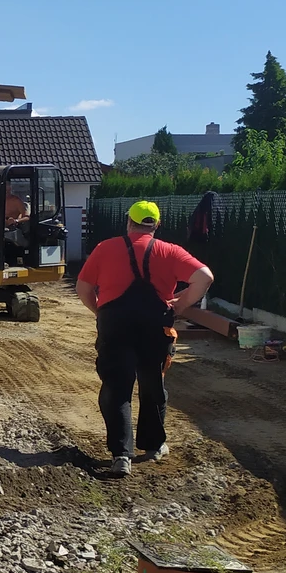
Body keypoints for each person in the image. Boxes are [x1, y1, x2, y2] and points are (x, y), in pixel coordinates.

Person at [76, 201, 213, 477]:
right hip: (155, 327)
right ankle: (153, 446)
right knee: (152, 386)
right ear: (157, 225)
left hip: (115, 326)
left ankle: (121, 456)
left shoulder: (105, 248)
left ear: (129, 221)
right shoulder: (170, 251)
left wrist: (100, 312)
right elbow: (204, 277)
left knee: (117, 388)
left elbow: (83, 288)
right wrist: (179, 305)